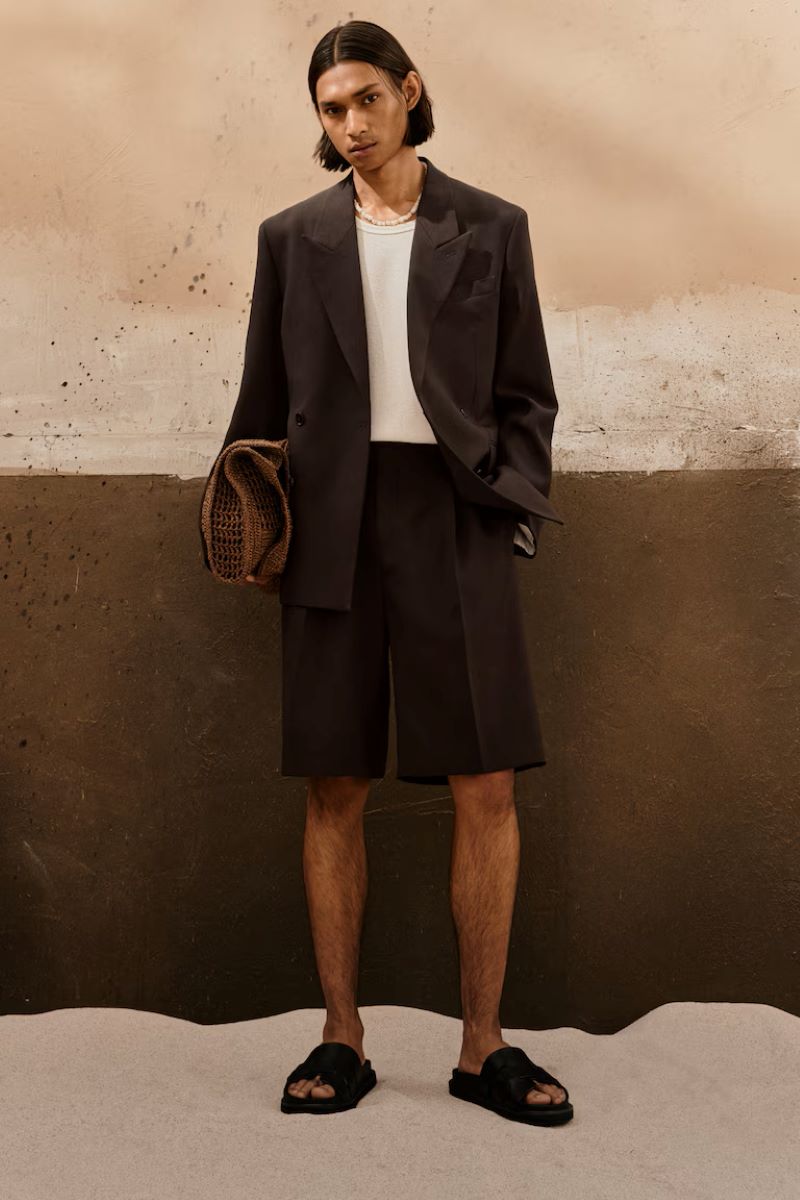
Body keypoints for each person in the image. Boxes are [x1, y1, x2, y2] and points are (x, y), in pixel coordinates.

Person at [206, 19, 572, 1125]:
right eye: (331, 108)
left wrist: (506, 507)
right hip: (329, 520)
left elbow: (527, 392)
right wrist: (251, 518)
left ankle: (481, 1046)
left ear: (410, 91)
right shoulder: (291, 238)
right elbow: (261, 397)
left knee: (487, 783)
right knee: (335, 782)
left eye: (367, 98)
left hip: (453, 516)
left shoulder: (491, 226)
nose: (351, 124)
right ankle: (341, 1035)